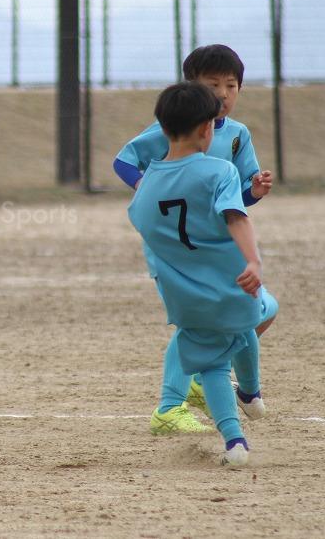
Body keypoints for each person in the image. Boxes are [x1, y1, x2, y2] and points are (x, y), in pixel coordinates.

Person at [113, 44, 278, 435]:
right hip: (180, 248)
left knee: (257, 313)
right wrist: (148, 187)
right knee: (199, 324)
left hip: (216, 248)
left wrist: (255, 190)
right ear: (191, 87)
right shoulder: (173, 129)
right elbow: (124, 161)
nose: (222, 94)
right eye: (212, 85)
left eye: (231, 85)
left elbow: (236, 199)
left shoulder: (237, 136)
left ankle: (202, 379)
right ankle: (172, 405)